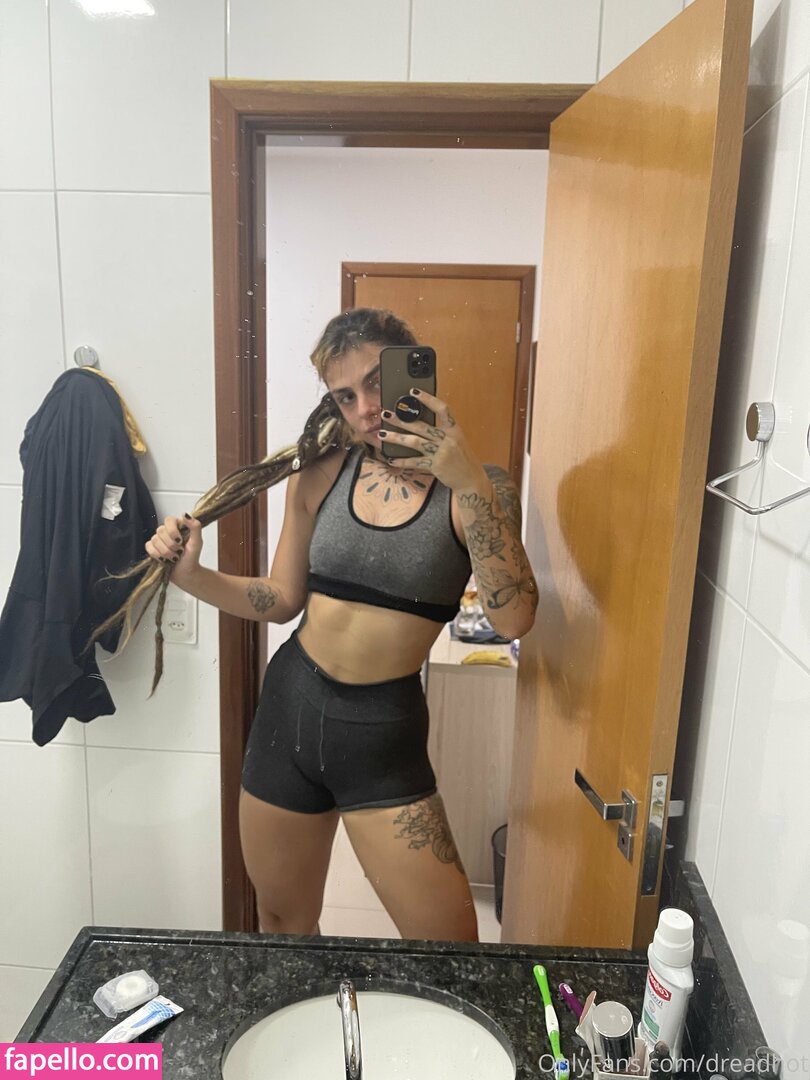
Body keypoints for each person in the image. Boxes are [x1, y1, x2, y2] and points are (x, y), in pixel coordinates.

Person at [145, 309, 538, 941]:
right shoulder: (322, 472)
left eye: (375, 382)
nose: (364, 408)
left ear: (415, 372)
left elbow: (514, 615)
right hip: (290, 710)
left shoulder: (481, 489)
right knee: (282, 922)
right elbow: (282, 598)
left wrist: (466, 479)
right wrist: (194, 576)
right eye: (345, 396)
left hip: (382, 733)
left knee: (449, 947)